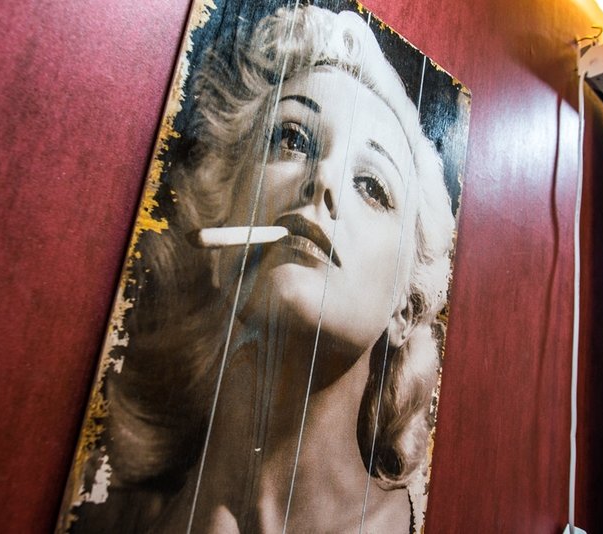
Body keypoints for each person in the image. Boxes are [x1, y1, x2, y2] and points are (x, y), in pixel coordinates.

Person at [70, 4, 456, 533]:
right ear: (222, 208)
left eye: (372, 186)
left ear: (406, 311)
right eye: (293, 139)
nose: (323, 180)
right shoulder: (104, 515)